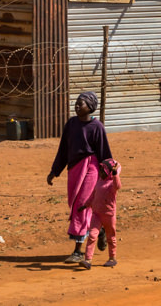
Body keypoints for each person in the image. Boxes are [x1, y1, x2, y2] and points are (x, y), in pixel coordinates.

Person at [46, 91, 112, 264]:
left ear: (90, 107)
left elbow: (104, 152)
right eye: (76, 102)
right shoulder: (71, 124)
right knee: (74, 203)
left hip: (91, 168)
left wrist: (108, 175)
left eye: (80, 103)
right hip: (74, 169)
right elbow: (63, 150)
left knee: (82, 205)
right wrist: (54, 171)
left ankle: (77, 251)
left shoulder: (97, 127)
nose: (76, 106)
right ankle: (99, 230)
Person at [80, 158, 122, 269]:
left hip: (109, 215)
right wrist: (85, 205)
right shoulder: (99, 182)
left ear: (108, 172)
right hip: (96, 214)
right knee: (92, 235)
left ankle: (112, 258)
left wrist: (115, 174)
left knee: (111, 237)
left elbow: (118, 186)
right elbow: (93, 195)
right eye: (101, 170)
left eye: (103, 170)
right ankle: (88, 260)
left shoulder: (111, 183)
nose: (101, 172)